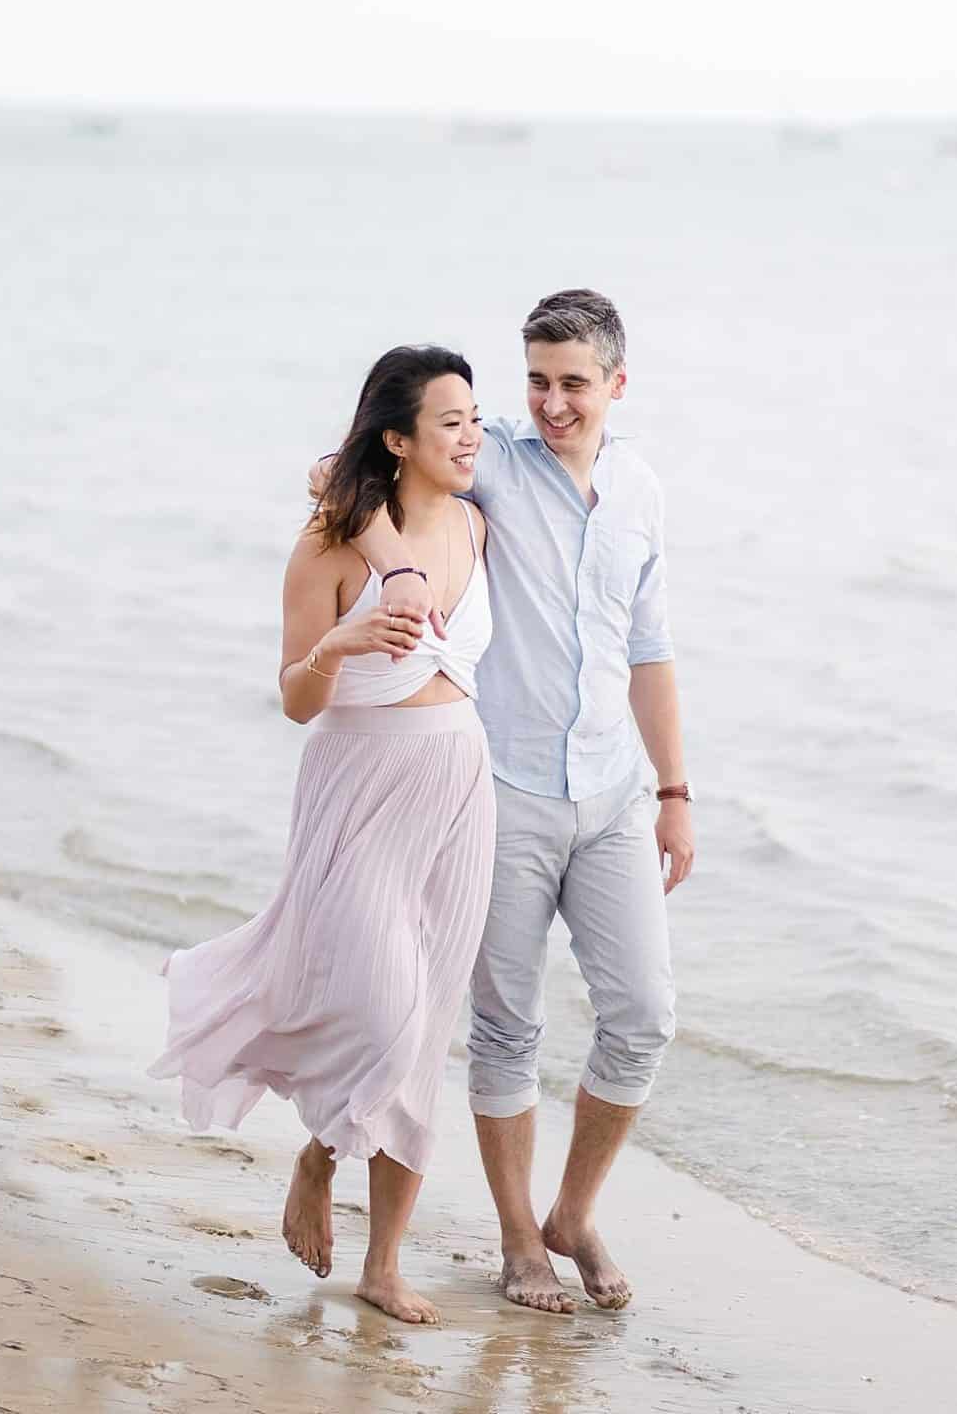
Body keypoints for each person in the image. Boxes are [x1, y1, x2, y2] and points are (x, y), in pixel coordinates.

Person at [333, 289, 695, 1315]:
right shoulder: (487, 456)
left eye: (574, 384)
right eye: (535, 380)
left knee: (643, 1017)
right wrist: (399, 571)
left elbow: (650, 649)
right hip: (503, 793)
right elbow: (342, 473)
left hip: (617, 794)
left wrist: (675, 792)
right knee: (506, 1029)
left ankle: (574, 1212)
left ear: (618, 386)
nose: (551, 403)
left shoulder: (641, 490)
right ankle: (518, 1240)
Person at [149, 346, 494, 1325]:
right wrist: (336, 646)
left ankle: (384, 1262)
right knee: (383, 1013)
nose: (473, 437)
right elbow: (298, 699)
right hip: (357, 789)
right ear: (397, 439)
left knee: (425, 1030)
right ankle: (319, 1151)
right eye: (451, 422)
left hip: (460, 790)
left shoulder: (474, 524)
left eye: (476, 418)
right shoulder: (326, 549)